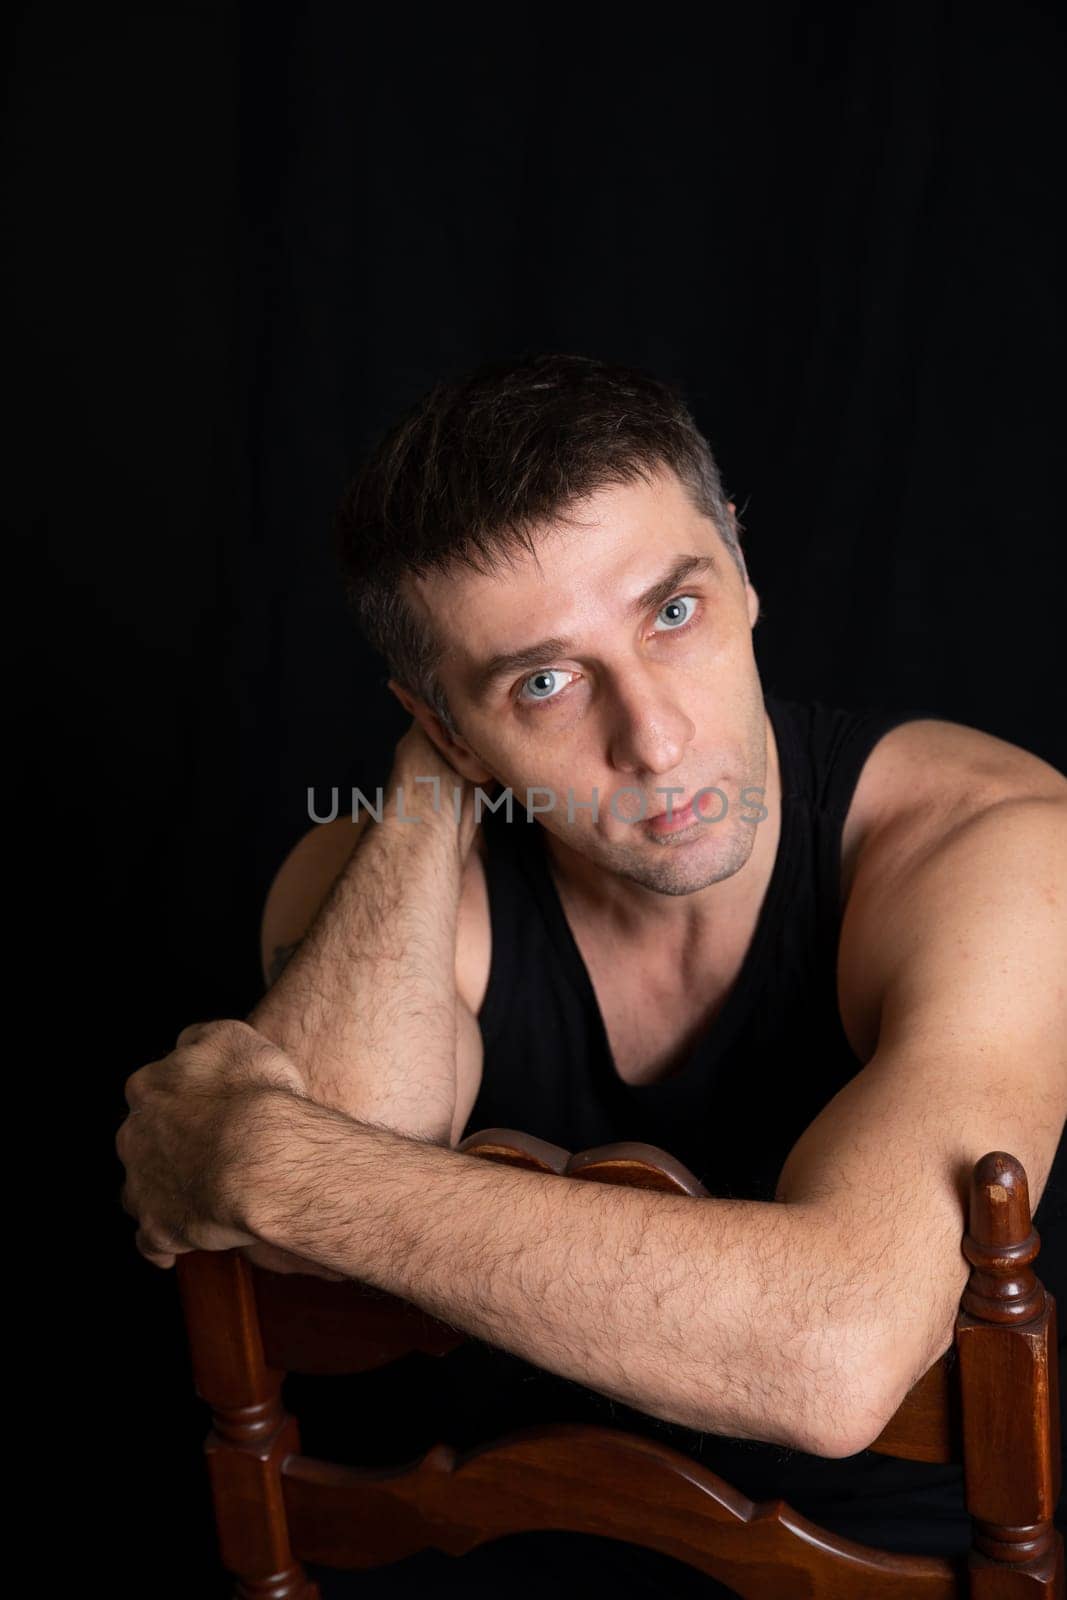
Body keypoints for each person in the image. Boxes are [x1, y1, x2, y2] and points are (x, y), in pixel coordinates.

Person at [118, 353, 1067, 1597]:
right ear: (446, 726)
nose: (655, 740)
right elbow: (313, 1264)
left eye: (673, 611)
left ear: (738, 563)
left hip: (886, 1571)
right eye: (544, 682)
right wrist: (425, 792)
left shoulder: (994, 848)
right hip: (506, 1556)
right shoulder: (365, 878)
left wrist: (264, 1159)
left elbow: (832, 1356)